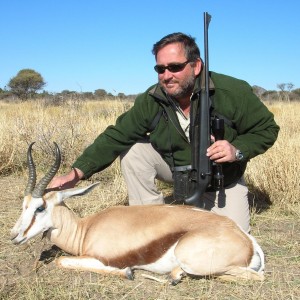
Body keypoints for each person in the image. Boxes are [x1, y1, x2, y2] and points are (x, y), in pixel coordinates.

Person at [49, 32, 279, 233]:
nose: (166, 75)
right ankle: (147, 223)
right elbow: (117, 135)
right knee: (134, 150)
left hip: (221, 180)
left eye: (175, 67)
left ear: (196, 66)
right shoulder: (153, 97)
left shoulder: (232, 91)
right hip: (175, 170)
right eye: (160, 68)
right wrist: (76, 173)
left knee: (232, 241)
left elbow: (267, 129)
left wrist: (237, 150)